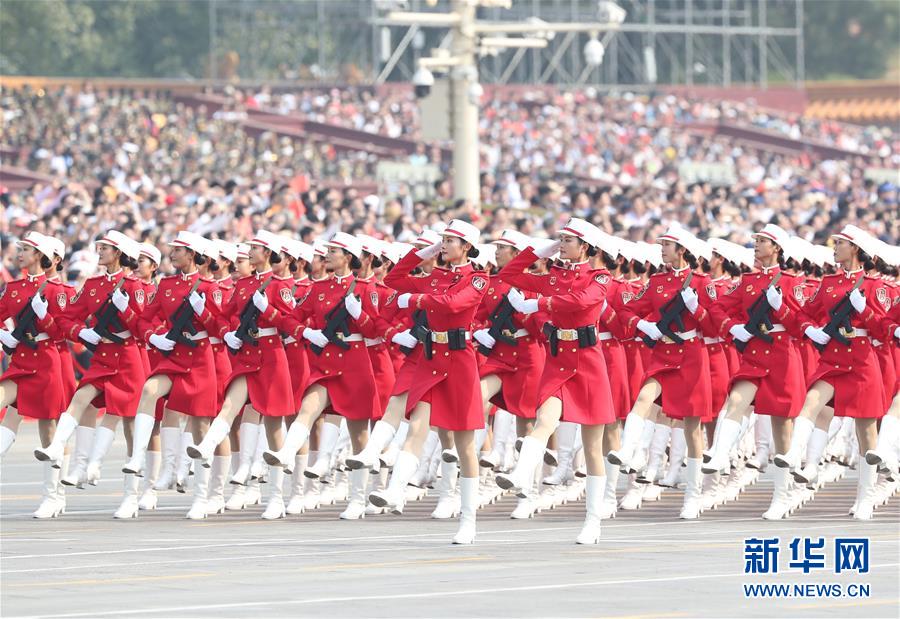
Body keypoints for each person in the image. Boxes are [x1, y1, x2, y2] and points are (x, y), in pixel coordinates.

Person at [494, 217, 616, 544]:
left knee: (592, 448)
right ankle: (522, 474)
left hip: (588, 361)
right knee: (544, 420)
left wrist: (542, 302)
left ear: (585, 247)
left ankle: (593, 520)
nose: (562, 244)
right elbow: (508, 275)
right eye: (560, 239)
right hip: (559, 358)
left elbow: (583, 301)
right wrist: (537, 251)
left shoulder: (600, 276)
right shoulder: (556, 274)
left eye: (568, 240)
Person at [260, 231, 381, 520]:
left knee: (359, 435)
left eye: (334, 252)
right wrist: (306, 332)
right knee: (308, 408)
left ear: (348, 258)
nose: (327, 256)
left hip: (354, 361)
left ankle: (357, 498)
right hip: (326, 361)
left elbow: (375, 330)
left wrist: (360, 315)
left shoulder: (366, 289)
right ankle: (287, 453)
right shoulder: (319, 288)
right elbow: (292, 317)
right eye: (327, 251)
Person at [774, 225, 890, 520]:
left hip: (863, 357)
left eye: (840, 243)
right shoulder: (829, 283)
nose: (834, 247)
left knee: (866, 430)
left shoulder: (875, 286)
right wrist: (811, 330)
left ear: (855, 249)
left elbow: (883, 330)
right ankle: (795, 454)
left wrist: (865, 310)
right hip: (834, 355)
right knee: (811, 402)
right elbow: (805, 313)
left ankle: (865, 496)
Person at [183, 230, 297, 519]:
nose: (250, 251)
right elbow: (226, 314)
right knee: (230, 405)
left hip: (272, 355)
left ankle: (276, 497)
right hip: (248, 353)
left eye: (255, 248)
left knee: (273, 428)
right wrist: (227, 332)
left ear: (267, 253)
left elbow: (289, 322)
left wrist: (267, 310)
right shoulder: (244, 284)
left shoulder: (281, 285)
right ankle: (208, 446)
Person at [701, 224, 807, 519]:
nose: (756, 245)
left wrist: (781, 308)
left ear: (776, 249)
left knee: (782, 427)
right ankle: (720, 453)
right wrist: (733, 327)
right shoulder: (747, 280)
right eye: (756, 240)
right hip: (756, 351)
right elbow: (719, 308)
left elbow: (801, 325)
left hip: (783, 352)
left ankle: (782, 495)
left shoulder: (791, 282)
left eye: (762, 241)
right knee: (735, 400)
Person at [34, 231, 148, 503]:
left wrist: (128, 311)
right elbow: (67, 318)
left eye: (104, 248)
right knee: (81, 397)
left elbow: (144, 328)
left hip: (128, 356)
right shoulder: (93, 284)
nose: (99, 252)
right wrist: (81, 333)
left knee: (131, 425)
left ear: (118, 253)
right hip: (103, 354)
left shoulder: (134, 286)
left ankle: (131, 495)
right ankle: (63, 450)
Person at [609, 225, 713, 520]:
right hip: (663, 353)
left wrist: (698, 309)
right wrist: (643, 325)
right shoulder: (656, 281)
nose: (662, 249)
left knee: (692, 428)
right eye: (661, 244)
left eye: (667, 245)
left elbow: (715, 327)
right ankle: (630, 452)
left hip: (692, 354)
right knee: (643, 400)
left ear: (682, 251)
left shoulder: (702, 283)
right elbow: (630, 310)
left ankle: (693, 494)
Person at [118, 231, 222, 519]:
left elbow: (220, 330)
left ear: (192, 255)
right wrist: (154, 337)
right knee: (149, 390)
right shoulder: (167, 285)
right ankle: (138, 459)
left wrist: (206, 313)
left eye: (177, 250)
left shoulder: (210, 288)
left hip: (200, 358)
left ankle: (201, 495)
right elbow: (145, 319)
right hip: (173, 354)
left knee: (201, 429)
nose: (171, 253)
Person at [0, 232, 70, 517]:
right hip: (21, 361)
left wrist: (45, 316)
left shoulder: (57, 291)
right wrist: (5, 335)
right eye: (21, 248)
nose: (21, 253)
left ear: (41, 256)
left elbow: (61, 333)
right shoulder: (14, 287)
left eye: (27, 249)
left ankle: (54, 496)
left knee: (48, 431)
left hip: (47, 361)